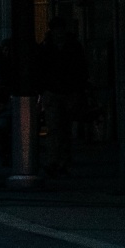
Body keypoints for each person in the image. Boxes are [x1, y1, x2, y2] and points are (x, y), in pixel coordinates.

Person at [41, 21, 86, 179]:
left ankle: (60, 161)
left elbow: (80, 69)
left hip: (65, 91)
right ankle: (56, 161)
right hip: (58, 91)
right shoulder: (67, 47)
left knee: (62, 129)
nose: (58, 32)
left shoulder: (52, 48)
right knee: (57, 129)